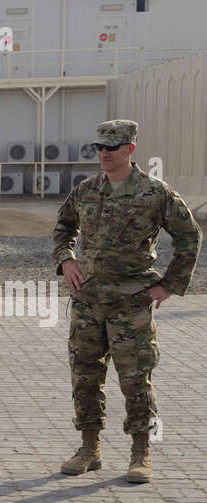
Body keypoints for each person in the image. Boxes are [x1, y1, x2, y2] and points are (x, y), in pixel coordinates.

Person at [53, 119, 201, 483]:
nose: (104, 153)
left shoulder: (155, 193)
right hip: (88, 301)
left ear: (131, 148)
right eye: (99, 147)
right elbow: (63, 228)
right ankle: (89, 448)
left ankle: (141, 451)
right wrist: (66, 259)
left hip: (130, 305)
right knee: (85, 377)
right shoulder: (87, 190)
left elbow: (189, 238)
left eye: (112, 147)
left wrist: (170, 285)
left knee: (135, 381)